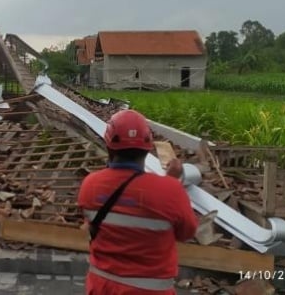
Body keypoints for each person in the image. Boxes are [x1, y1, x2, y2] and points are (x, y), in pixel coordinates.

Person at [77, 109, 198, 295]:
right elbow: (186, 232)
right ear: (148, 148)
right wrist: (172, 182)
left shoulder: (89, 185)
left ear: (109, 147)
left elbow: (92, 225)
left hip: (102, 287)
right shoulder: (170, 191)